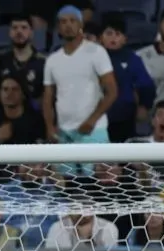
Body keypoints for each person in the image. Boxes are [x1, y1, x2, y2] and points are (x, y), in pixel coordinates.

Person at [42, 5, 117, 174]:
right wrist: (49, 127)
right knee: (68, 187)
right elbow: (48, 98)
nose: (68, 25)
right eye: (63, 22)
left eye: (72, 21)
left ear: (80, 24)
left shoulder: (96, 52)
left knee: (98, 183)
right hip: (64, 132)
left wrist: (92, 120)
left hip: (93, 129)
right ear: (58, 28)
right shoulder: (52, 60)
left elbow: (112, 91)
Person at [99, 12, 155, 144]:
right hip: (97, 116)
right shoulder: (93, 57)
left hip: (124, 116)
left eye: (117, 34)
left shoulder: (132, 59)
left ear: (125, 39)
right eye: (109, 33)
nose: (113, 38)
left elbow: (147, 85)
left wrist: (144, 106)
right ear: (101, 37)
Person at [0, 74, 45, 145]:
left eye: (15, 89)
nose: (9, 93)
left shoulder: (36, 120)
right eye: (5, 89)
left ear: (23, 94)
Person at [0, 14, 47, 101]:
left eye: (24, 28)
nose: (19, 32)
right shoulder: (1, 60)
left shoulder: (43, 62)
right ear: (9, 33)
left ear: (31, 32)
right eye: (15, 28)